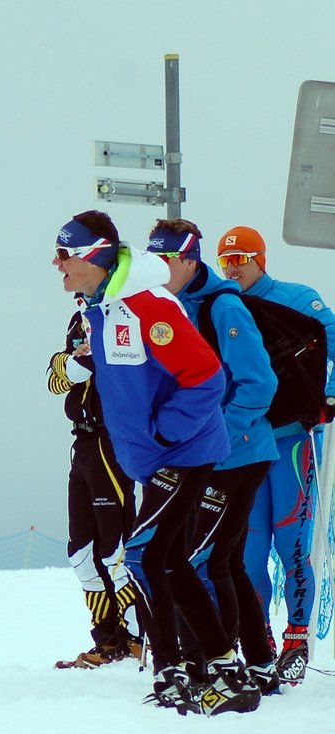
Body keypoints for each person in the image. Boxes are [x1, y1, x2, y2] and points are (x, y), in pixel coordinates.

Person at [52, 210, 252, 715]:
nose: (58, 265)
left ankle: (172, 669)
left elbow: (206, 375)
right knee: (169, 560)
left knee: (142, 555)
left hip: (183, 452)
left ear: (95, 255)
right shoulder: (101, 307)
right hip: (155, 458)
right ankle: (221, 667)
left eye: (65, 255)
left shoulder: (145, 303)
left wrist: (165, 432)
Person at [146, 219, 278, 700]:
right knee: (224, 561)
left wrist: (212, 434)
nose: (157, 269)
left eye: (165, 260)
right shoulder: (180, 305)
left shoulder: (223, 306)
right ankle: (258, 662)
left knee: (203, 560)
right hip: (217, 455)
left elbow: (259, 384)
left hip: (237, 455)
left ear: (189, 260)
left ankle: (214, 665)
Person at [219, 225, 335, 682]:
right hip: (245, 446)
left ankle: (297, 639)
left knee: (292, 542)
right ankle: (259, 638)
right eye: (226, 260)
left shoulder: (295, 297)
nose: (232, 267)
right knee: (248, 550)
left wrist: (327, 396)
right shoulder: (222, 306)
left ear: (260, 259)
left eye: (241, 258)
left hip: (289, 440)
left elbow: (332, 340)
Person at [47, 301, 144, 668]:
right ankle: (107, 638)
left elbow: (100, 364)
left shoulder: (122, 313)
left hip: (112, 440)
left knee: (114, 549)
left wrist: (81, 362)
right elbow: (56, 377)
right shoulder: (79, 318)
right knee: (81, 552)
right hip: (83, 443)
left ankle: (138, 635)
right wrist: (75, 361)